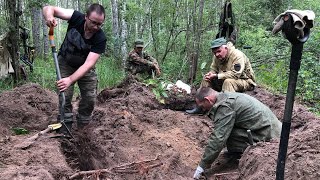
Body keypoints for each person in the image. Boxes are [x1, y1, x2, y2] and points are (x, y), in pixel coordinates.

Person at [42, 4, 106, 133]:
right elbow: (48, 8)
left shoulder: (100, 38)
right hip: (65, 62)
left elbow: (88, 64)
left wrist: (70, 79)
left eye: (99, 24)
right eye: (93, 22)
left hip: (85, 68)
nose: (96, 27)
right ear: (86, 17)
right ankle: (65, 129)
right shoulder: (76, 17)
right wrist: (49, 17)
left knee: (89, 98)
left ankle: (84, 130)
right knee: (65, 96)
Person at [192, 87, 282, 179]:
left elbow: (218, 138)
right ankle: (237, 151)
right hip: (274, 129)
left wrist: (202, 166)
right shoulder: (226, 96)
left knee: (226, 133)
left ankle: (243, 154)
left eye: (202, 106)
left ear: (207, 99)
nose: (203, 109)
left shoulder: (225, 106)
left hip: (270, 136)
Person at [186, 37, 256, 114]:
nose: (217, 54)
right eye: (215, 52)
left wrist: (216, 76)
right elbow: (214, 69)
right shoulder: (216, 56)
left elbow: (235, 75)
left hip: (245, 80)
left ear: (226, 48)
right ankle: (200, 106)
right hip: (226, 77)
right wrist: (211, 74)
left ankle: (224, 111)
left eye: (219, 51)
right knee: (206, 79)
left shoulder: (237, 55)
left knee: (228, 82)